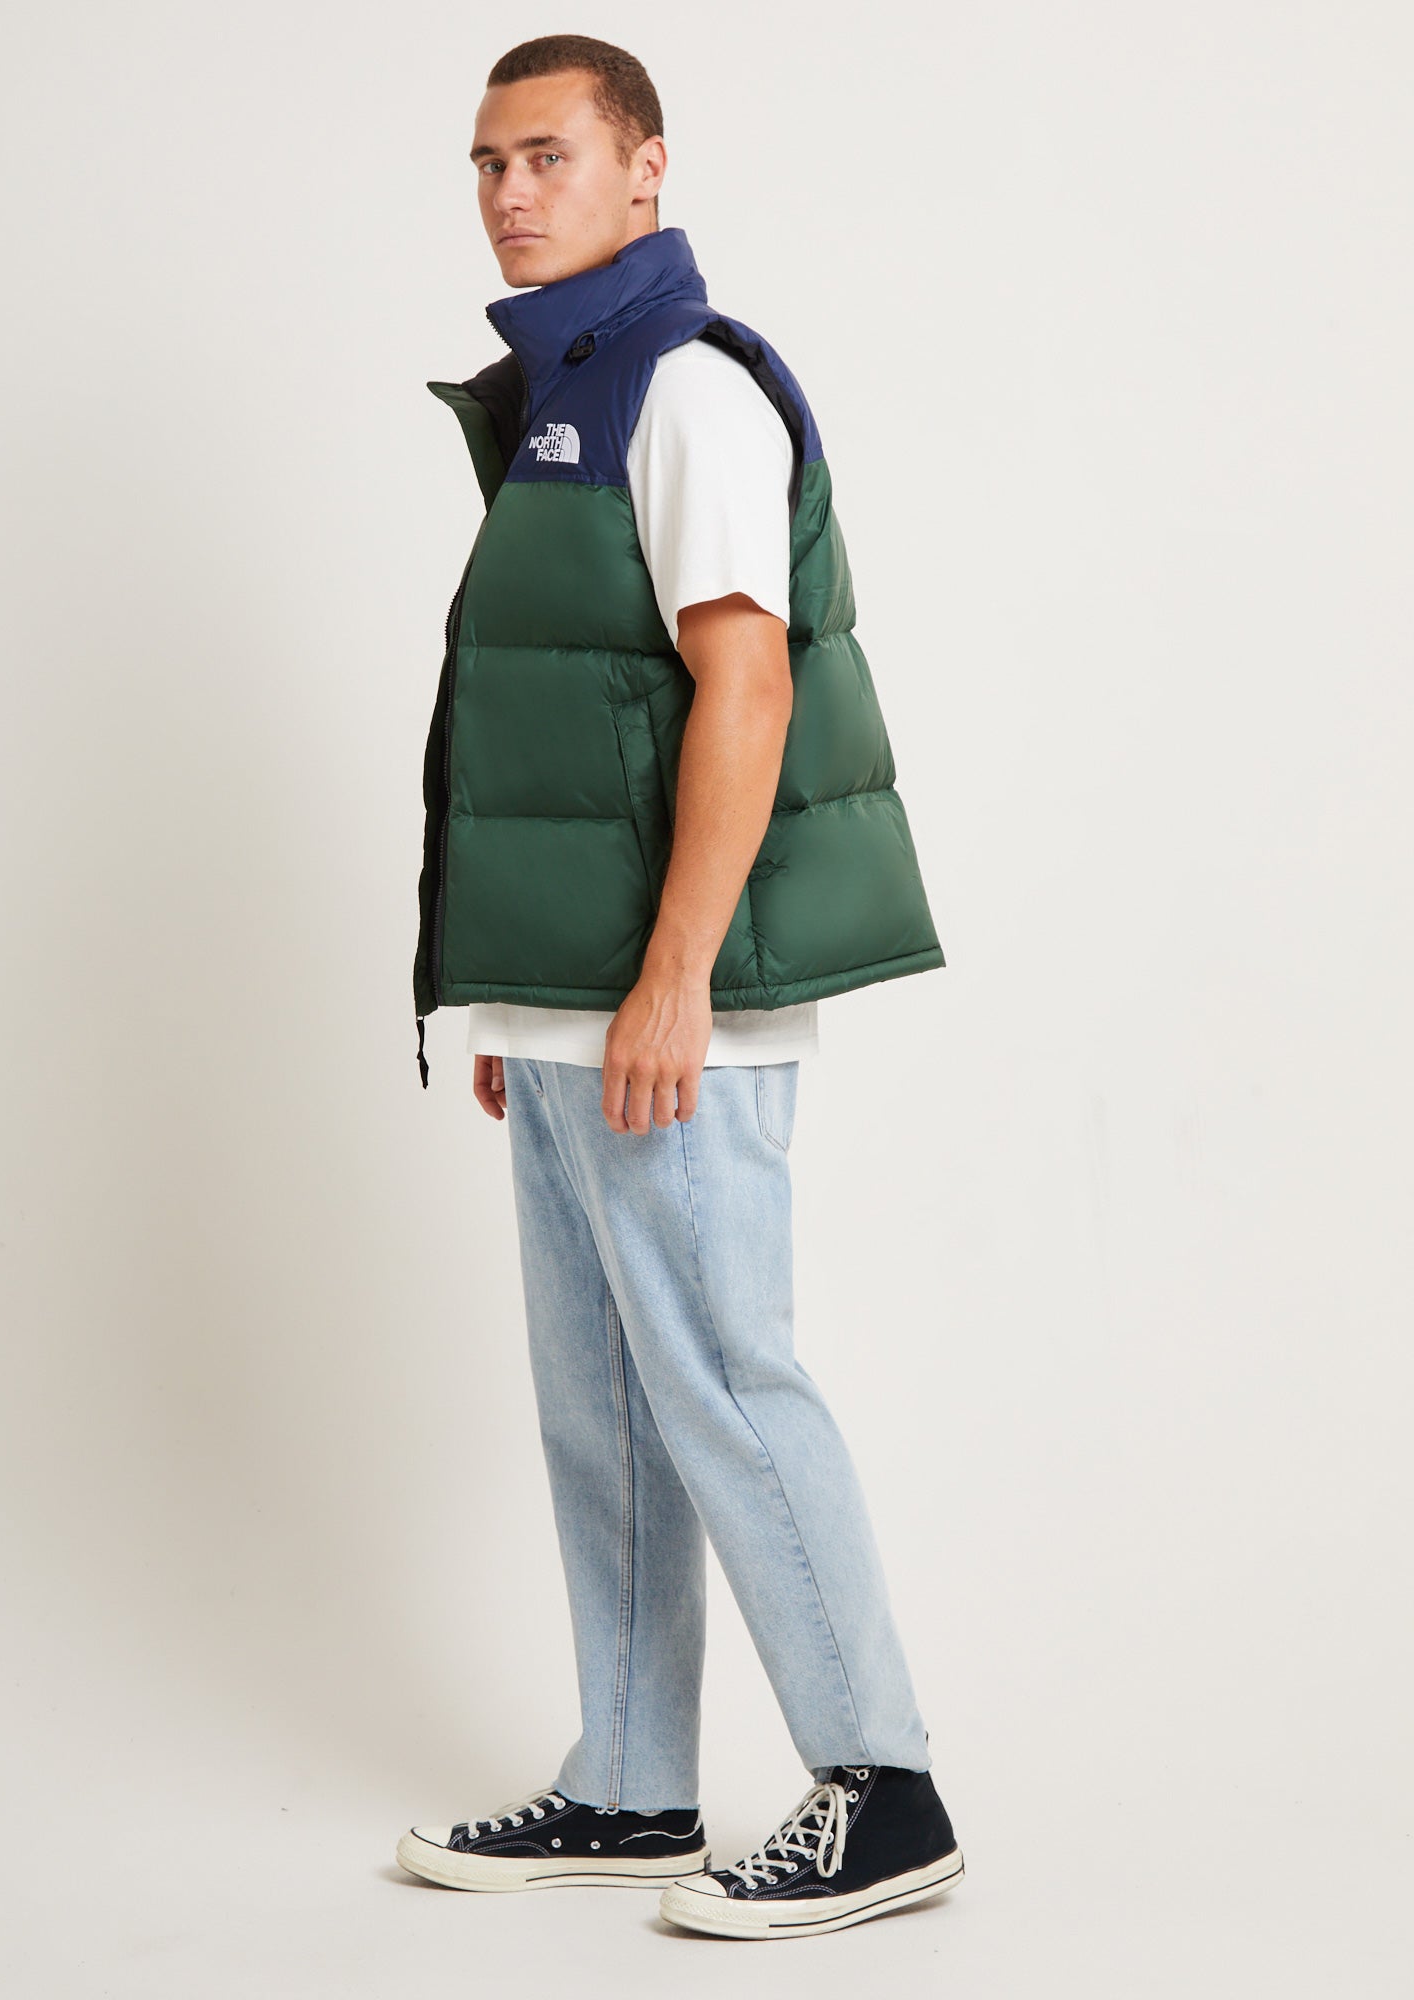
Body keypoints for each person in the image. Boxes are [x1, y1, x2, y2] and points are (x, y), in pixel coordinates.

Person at [398, 34, 964, 1941]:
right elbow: (579, 716)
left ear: (647, 168)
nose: (511, 192)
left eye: (549, 155)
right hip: (583, 1010)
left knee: (722, 1377)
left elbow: (747, 686)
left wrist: (670, 984)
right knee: (608, 1409)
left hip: (676, 1007)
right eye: (488, 163)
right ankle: (633, 1781)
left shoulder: (687, 387)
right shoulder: (567, 389)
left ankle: (883, 1788)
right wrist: (529, 995)